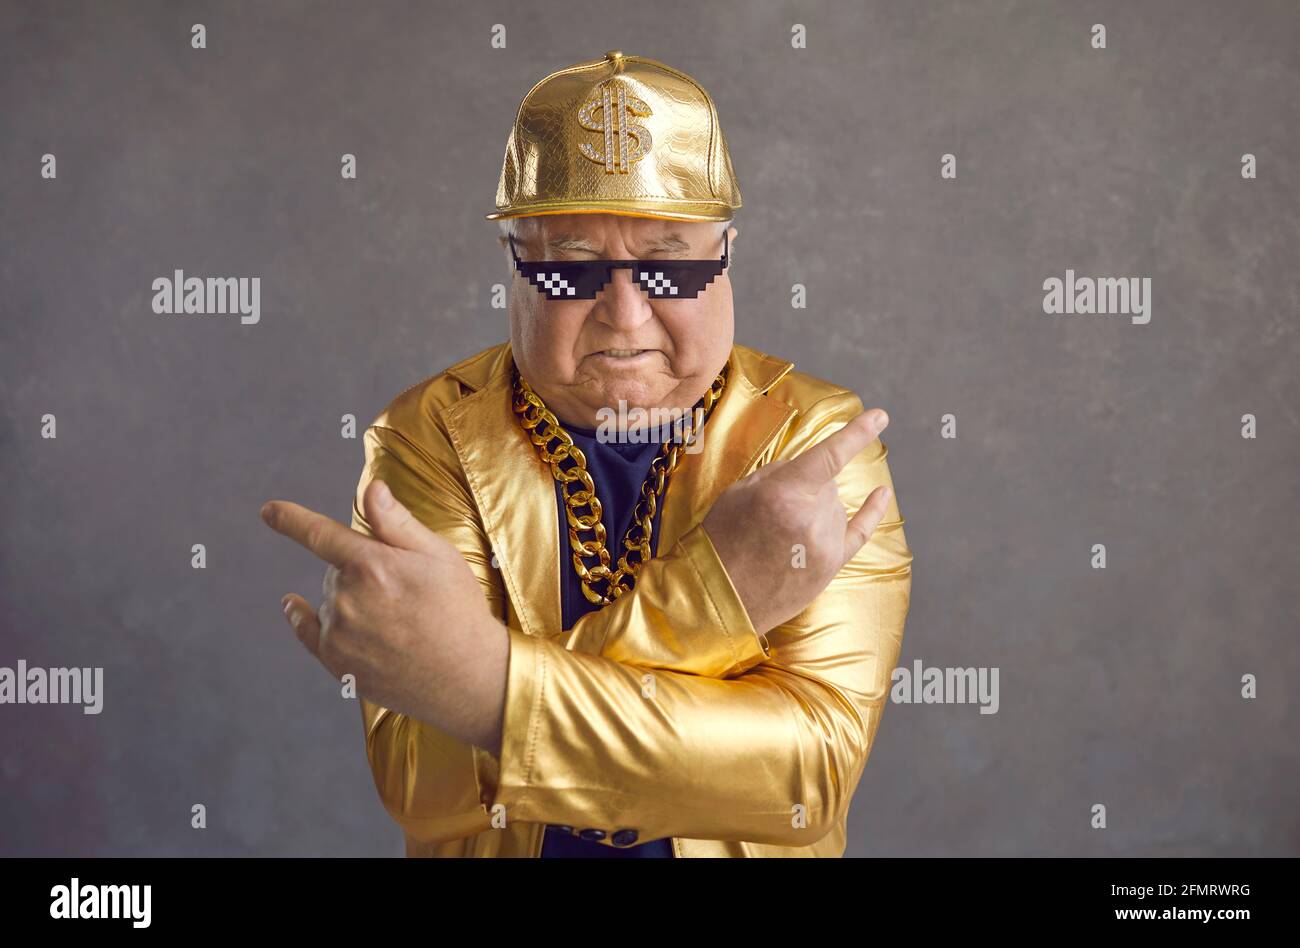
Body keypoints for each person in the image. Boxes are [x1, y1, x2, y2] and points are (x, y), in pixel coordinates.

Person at [260, 50, 913, 857]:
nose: (626, 315)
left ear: (726, 256)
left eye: (670, 265)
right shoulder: (429, 440)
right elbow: (425, 788)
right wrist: (715, 599)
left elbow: (804, 782)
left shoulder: (814, 440)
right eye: (572, 269)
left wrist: (481, 687)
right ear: (516, 264)